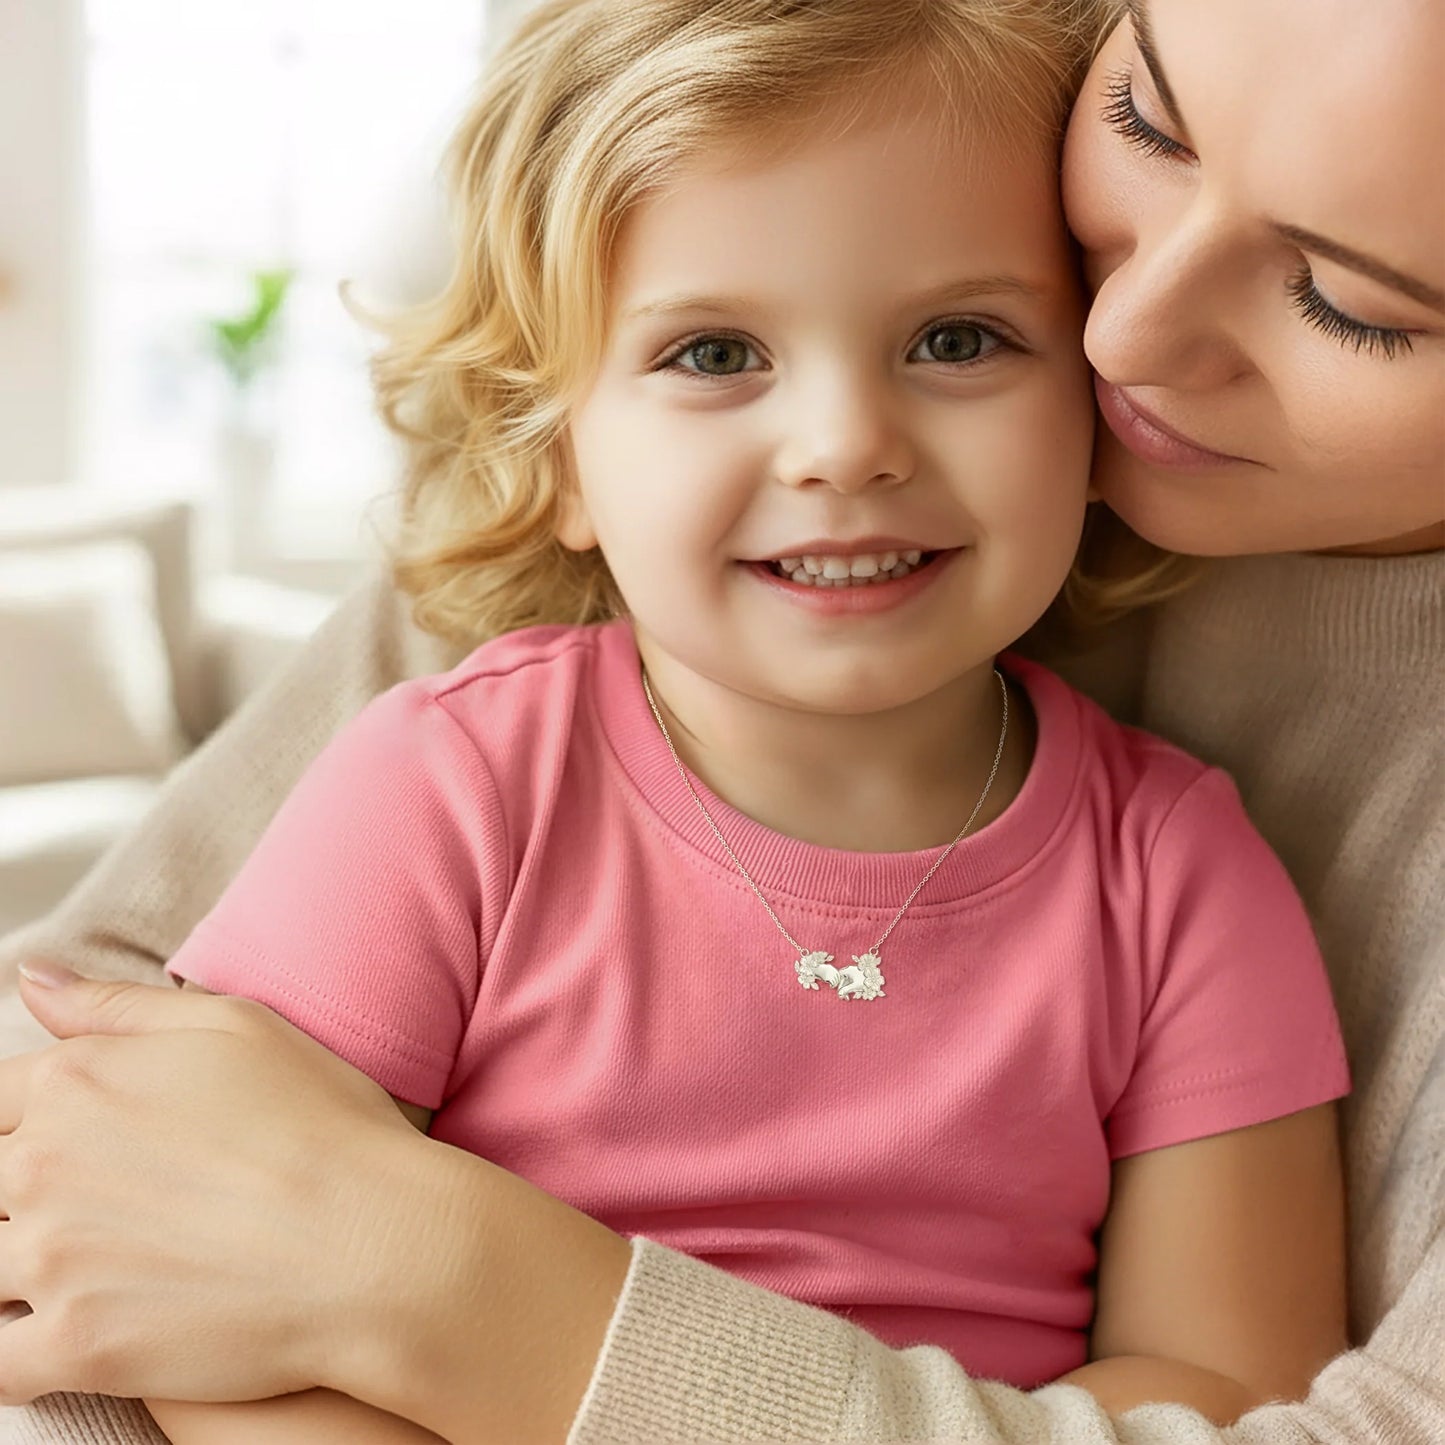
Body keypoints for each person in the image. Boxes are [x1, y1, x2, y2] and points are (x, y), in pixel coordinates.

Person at [0, 0, 1440, 1440]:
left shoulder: (1181, 872)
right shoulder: (445, 781)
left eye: (956, 337)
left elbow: (1218, 1387)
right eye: (710, 356)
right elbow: (186, 1249)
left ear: (1081, 417)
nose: (842, 445)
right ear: (549, 452)